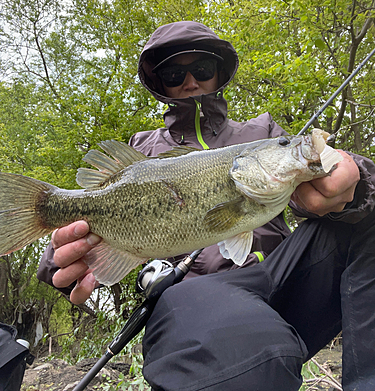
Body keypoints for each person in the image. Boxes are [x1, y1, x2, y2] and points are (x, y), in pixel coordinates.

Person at [37, 21, 375, 390]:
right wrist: (65, 253)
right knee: (234, 349)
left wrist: (354, 182)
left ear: (219, 73)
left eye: (201, 69)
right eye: (173, 73)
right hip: (193, 304)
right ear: (159, 83)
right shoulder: (143, 152)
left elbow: (333, 184)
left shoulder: (262, 135)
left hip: (283, 283)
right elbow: (66, 245)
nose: (190, 82)